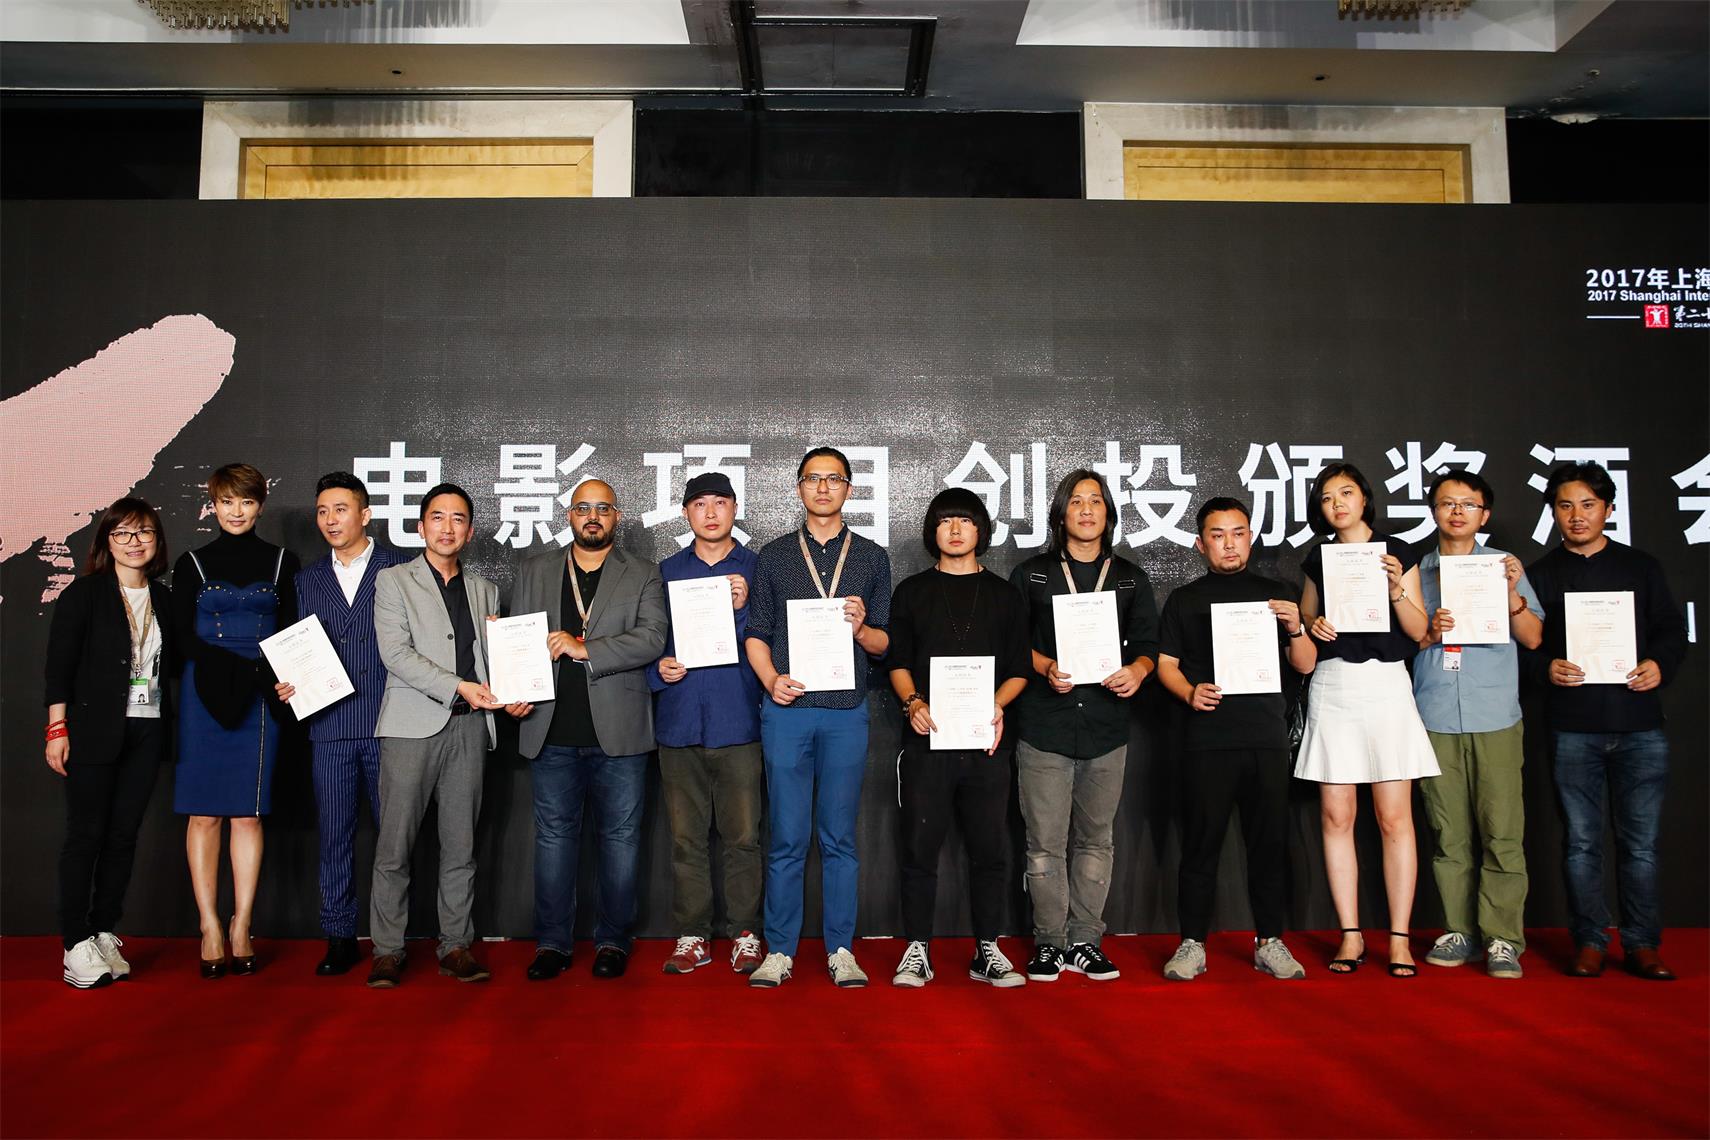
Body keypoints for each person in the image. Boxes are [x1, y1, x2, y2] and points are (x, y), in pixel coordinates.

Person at [366, 484, 530, 988]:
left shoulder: (484, 589)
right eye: (437, 517)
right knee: (395, 847)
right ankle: (387, 950)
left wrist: (513, 691)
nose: (447, 527)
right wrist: (460, 685)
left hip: (469, 729)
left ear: (470, 531)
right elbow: (396, 654)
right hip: (411, 728)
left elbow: (494, 659)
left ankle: (455, 945)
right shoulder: (393, 581)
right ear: (421, 527)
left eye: (458, 519)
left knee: (461, 847)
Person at [1528, 461, 1686, 981]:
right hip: (1573, 726)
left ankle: (1642, 944)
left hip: (1640, 725)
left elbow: (1671, 630)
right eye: (1566, 506)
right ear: (1553, 513)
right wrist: (1545, 667)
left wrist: (1659, 664)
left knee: (1640, 845)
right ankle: (1590, 941)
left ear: (1609, 509)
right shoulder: (1540, 574)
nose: (1577, 515)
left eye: (1588, 505)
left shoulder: (1641, 567)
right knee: (1581, 843)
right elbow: (1522, 645)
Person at [744, 446, 892, 988]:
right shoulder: (775, 555)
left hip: (845, 712)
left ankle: (841, 949)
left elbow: (885, 643)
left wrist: (861, 629)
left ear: (849, 488)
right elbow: (757, 632)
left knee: (839, 838)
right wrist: (770, 681)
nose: (823, 487)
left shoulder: (872, 556)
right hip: (788, 711)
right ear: (799, 487)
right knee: (786, 837)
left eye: (834, 479)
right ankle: (780, 950)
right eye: (813, 478)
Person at [1006, 469, 1158, 982]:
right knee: (1044, 843)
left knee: (1096, 840)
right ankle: (1049, 942)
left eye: (1096, 500)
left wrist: (1138, 671)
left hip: (1106, 726)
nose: (1087, 509)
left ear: (1108, 513)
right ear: (1061, 513)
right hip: (1044, 726)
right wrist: (1045, 666)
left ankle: (1086, 941)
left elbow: (1148, 646)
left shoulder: (1130, 578)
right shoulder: (1032, 575)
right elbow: (1012, 644)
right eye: (1076, 501)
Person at [512, 478, 667, 982]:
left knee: (620, 841)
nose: (592, 517)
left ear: (617, 516)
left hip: (619, 733)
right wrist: (511, 685)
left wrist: (586, 649)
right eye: (583, 508)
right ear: (569, 515)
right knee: (553, 842)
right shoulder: (535, 570)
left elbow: (652, 638)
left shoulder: (642, 572)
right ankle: (552, 943)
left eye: (602, 508)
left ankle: (613, 941)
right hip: (549, 728)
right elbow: (517, 640)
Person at [1156, 497, 1316, 981]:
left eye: (1238, 533)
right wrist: (1189, 692)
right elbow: (1166, 665)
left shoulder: (1278, 594)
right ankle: (1192, 943)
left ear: (1250, 537)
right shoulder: (1184, 599)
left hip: (1266, 737)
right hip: (1207, 738)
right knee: (1200, 846)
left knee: (1269, 844)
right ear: (1200, 544)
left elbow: (1305, 663)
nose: (1229, 543)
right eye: (1218, 535)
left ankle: (1270, 941)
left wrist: (1296, 626)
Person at [1295, 462, 1438, 977]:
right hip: (1333, 686)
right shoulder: (1318, 557)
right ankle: (1350, 934)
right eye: (1327, 497)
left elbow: (1420, 631)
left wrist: (1396, 589)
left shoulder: (1397, 552)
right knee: (1336, 817)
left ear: (1364, 499)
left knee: (1394, 818)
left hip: (1386, 685)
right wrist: (1314, 623)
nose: (1337, 503)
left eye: (1346, 493)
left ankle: (1399, 938)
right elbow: (1306, 621)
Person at [886, 487, 1032, 988]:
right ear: (933, 530)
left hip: (986, 743)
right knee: (919, 848)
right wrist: (913, 703)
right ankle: (917, 949)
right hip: (927, 740)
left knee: (990, 850)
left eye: (965, 521)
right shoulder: (911, 592)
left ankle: (987, 947)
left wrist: (997, 705)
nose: (954, 529)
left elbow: (1019, 668)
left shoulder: (1004, 595)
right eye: (945, 520)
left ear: (980, 530)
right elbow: (898, 661)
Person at [273, 472, 408, 976]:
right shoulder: (306, 580)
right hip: (328, 725)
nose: (330, 520)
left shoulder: (401, 567)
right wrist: (287, 681)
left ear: (365, 514)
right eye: (323, 511)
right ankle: (339, 934)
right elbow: (293, 646)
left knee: (394, 839)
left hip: (389, 721)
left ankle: (392, 937)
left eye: (341, 509)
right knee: (334, 835)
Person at [1413, 470, 1543, 980]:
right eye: (1447, 503)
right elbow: (1403, 642)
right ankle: (1457, 930)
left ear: (1484, 515)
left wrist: (1510, 594)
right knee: (1449, 833)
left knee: (1502, 832)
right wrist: (1429, 632)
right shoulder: (1415, 571)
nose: (1457, 512)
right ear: (1434, 511)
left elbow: (1532, 637)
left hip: (1495, 715)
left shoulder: (1504, 567)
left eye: (1468, 504)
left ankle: (1503, 938)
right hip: (1436, 714)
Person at [172, 463, 299, 978]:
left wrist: (287, 677)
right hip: (205, 694)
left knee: (248, 815)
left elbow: (294, 631)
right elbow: (182, 637)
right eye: (227, 501)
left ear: (260, 505)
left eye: (246, 501)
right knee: (203, 815)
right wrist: (238, 668)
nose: (237, 511)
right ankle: (208, 924)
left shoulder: (283, 561)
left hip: (262, 697)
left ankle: (242, 922)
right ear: (213, 504)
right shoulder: (191, 563)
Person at [43, 498, 174, 988]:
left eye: (144, 532)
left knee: (123, 836)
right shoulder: (85, 594)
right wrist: (57, 728)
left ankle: (102, 932)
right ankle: (74, 942)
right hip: (94, 729)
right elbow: (59, 666)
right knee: (86, 835)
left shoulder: (165, 598)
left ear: (157, 540)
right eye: (123, 533)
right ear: (107, 541)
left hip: (148, 728)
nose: (134, 542)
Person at [649, 472, 766, 977]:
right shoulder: (665, 572)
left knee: (743, 839)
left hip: (739, 721)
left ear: (735, 508)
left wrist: (742, 608)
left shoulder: (758, 569)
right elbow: (647, 640)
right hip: (679, 722)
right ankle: (693, 934)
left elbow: (776, 640)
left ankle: (745, 933)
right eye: (700, 504)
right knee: (685, 840)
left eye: (721, 502)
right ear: (686, 513)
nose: (711, 513)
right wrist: (658, 670)